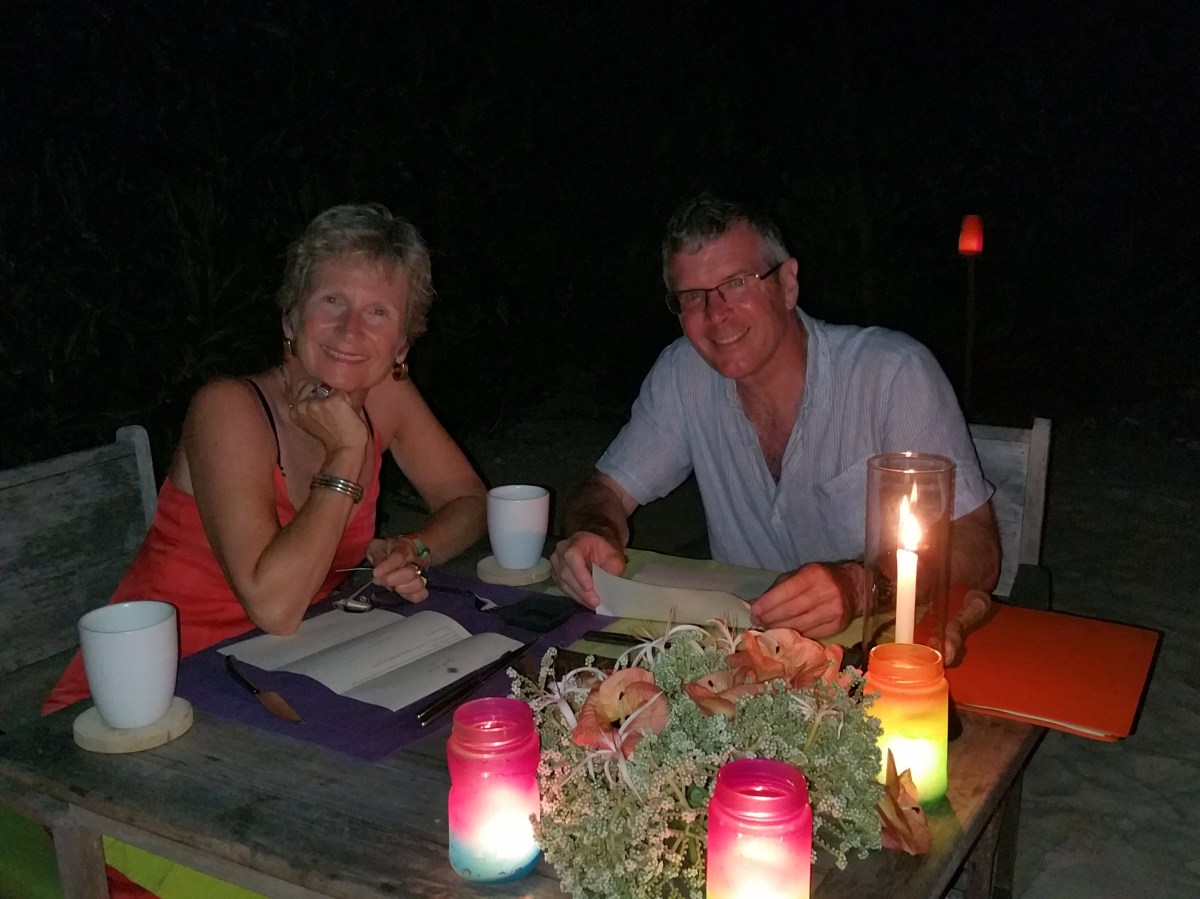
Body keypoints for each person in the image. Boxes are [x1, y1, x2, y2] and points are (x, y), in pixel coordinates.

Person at [45, 202, 487, 714]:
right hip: (149, 696)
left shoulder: (384, 396)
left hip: (285, 667)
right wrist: (346, 452)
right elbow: (274, 606)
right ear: (290, 317)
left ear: (402, 346)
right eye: (332, 301)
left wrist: (415, 548)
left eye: (378, 312)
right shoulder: (228, 410)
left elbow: (470, 500)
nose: (350, 330)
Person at [550, 193, 1000, 639]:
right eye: (692, 296)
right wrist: (594, 533)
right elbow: (604, 492)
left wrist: (860, 586)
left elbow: (978, 550)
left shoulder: (891, 374)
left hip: (888, 644)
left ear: (787, 284)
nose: (716, 314)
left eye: (737, 283)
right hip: (743, 651)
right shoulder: (682, 373)